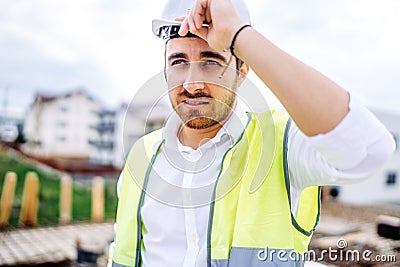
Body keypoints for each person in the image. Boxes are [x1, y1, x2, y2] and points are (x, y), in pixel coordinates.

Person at [109, 0, 395, 266]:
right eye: (179, 62)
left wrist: (238, 34)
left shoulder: (281, 145)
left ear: (243, 68)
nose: (192, 84)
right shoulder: (142, 155)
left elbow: (369, 152)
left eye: (211, 62)